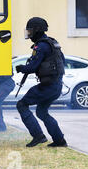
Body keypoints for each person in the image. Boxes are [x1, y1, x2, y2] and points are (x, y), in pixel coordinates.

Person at [15, 17, 67, 148]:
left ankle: (38, 136)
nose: (29, 34)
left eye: (31, 31)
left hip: (48, 86)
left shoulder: (42, 45)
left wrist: (21, 68)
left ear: (37, 30)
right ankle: (60, 141)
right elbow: (63, 62)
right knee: (42, 112)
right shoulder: (52, 43)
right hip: (56, 85)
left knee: (22, 105)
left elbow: (32, 67)